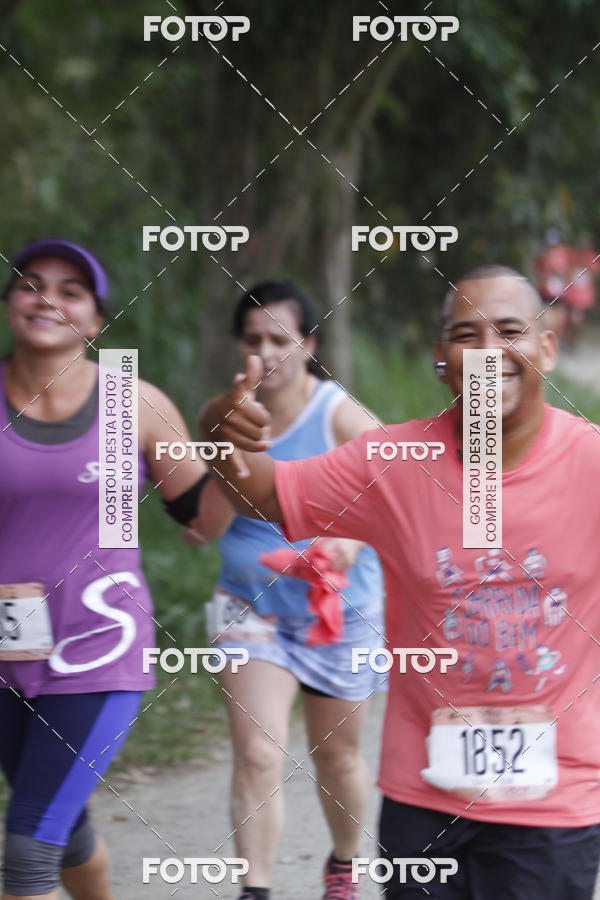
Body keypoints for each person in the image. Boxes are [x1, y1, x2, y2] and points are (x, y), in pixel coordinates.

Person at [200, 264, 600, 899]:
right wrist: (218, 430)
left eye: (512, 331)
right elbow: (263, 495)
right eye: (466, 335)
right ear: (441, 358)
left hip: (555, 805)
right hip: (424, 803)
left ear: (546, 347)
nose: (490, 352)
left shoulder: (591, 464)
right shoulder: (395, 461)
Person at [0, 239, 224, 900]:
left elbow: (203, 521)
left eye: (70, 291)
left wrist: (237, 454)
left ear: (96, 320)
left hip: (99, 651)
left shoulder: (134, 404)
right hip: (5, 655)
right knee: (64, 834)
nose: (46, 299)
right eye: (30, 284)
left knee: (27, 850)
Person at [195, 281, 385, 900]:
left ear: (308, 344)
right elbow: (205, 527)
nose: (267, 352)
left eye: (281, 338)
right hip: (252, 606)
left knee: (337, 760)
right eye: (254, 340)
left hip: (339, 610)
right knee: (257, 754)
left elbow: (396, 487)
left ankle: (342, 863)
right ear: (239, 348)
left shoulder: (337, 412)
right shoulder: (228, 414)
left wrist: (348, 544)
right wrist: (226, 450)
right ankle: (256, 890)